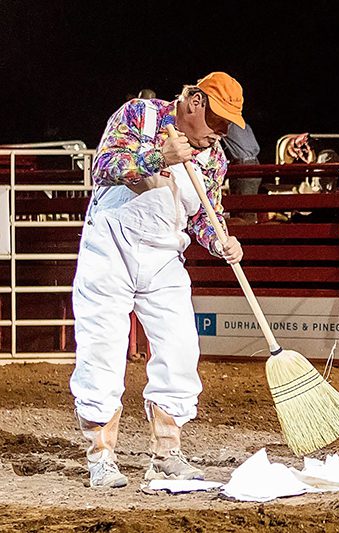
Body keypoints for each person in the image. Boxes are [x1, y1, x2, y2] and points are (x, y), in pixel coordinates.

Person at [70, 71, 245, 489]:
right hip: (110, 246)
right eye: (218, 120)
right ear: (196, 102)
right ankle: (101, 454)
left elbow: (205, 213)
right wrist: (158, 158)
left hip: (164, 254)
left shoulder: (213, 159)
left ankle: (167, 452)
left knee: (181, 346)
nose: (220, 132)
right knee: (102, 347)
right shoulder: (139, 116)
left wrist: (220, 240)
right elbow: (105, 166)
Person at [222, 121, 262, 223]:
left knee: (243, 212)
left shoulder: (227, 122)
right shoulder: (241, 123)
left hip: (244, 164)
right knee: (247, 210)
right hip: (253, 163)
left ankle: (244, 234)